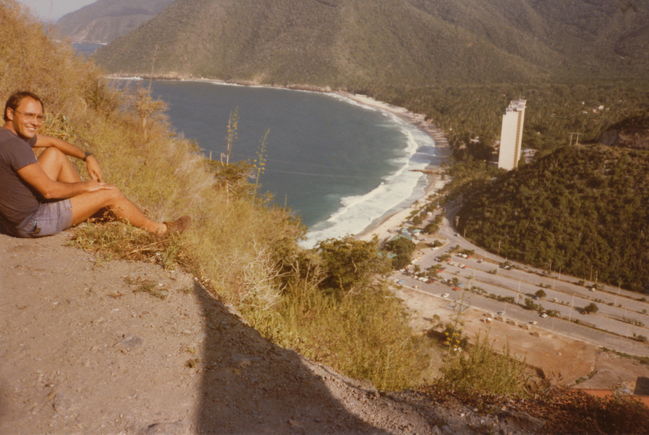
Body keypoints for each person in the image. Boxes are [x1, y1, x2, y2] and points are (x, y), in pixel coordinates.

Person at [0, 90, 189, 238]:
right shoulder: (15, 146)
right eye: (29, 115)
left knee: (54, 154)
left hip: (12, 219)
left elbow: (52, 142)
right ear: (10, 113)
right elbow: (50, 191)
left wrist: (87, 156)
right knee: (110, 193)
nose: (35, 122)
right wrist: (86, 186)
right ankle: (160, 230)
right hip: (32, 223)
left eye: (39, 117)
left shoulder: (6, 137)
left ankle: (87, 210)